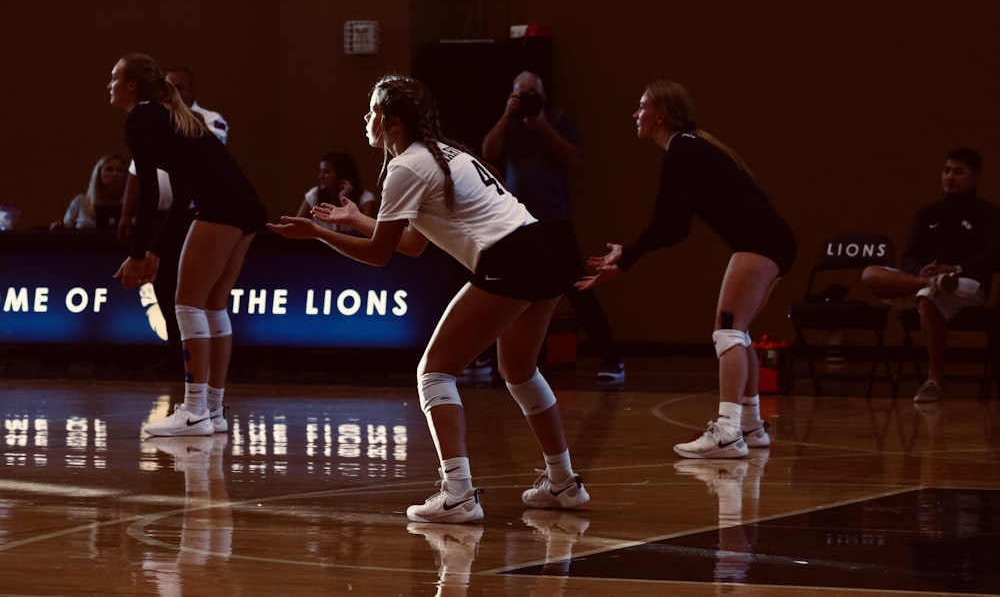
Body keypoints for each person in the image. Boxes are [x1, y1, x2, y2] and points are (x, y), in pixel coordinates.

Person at [268, 74, 590, 522]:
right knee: (519, 369)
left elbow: (381, 256)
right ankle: (563, 483)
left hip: (511, 258)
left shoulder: (405, 167)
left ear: (393, 122)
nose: (366, 118)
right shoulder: (441, 154)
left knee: (433, 373)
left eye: (372, 111)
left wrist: (318, 233)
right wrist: (357, 219)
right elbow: (413, 244)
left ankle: (458, 494)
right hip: (545, 250)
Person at [577, 80, 796, 459]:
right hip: (773, 241)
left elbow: (665, 226)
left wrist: (626, 259)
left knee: (727, 331)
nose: (635, 114)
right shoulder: (690, 149)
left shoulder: (681, 151)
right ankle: (751, 426)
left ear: (660, 114)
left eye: (641, 106)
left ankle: (728, 432)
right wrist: (628, 254)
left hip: (761, 243)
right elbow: (676, 228)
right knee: (737, 332)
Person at [108, 52, 265, 437]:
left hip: (221, 207)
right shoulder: (169, 117)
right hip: (246, 206)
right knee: (213, 305)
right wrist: (155, 252)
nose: (108, 85)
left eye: (114, 78)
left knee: (187, 304)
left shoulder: (142, 117)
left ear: (131, 85)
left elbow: (147, 193)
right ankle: (212, 410)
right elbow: (179, 200)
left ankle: (194, 410)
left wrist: (136, 254)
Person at [482, 71, 626, 382]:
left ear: (543, 97)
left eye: (532, 93)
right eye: (521, 94)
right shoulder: (509, 124)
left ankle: (612, 359)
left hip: (555, 219)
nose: (528, 99)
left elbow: (573, 159)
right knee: (506, 288)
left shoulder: (560, 121)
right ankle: (492, 360)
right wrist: (508, 116)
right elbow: (489, 153)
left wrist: (542, 126)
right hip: (517, 221)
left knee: (577, 288)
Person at [861, 148, 1000, 403]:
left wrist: (957, 269)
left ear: (975, 177)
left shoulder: (988, 215)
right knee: (870, 274)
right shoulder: (928, 214)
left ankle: (935, 379)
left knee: (927, 296)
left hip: (967, 284)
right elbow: (909, 256)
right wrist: (919, 270)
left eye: (958, 172)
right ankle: (929, 282)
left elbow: (993, 258)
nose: (950, 177)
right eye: (946, 171)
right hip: (923, 281)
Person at [118, 66, 229, 376]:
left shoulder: (209, 119)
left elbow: (206, 151)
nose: (172, 93)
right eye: (167, 87)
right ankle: (175, 353)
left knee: (194, 292)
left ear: (192, 91)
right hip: (160, 217)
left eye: (179, 87)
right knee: (163, 288)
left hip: (196, 215)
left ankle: (202, 361)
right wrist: (127, 213)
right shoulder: (154, 122)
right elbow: (137, 173)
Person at [295, 151, 377, 233]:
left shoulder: (365, 198)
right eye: (321, 171)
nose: (320, 176)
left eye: (326, 172)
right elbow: (296, 228)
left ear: (341, 174)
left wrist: (344, 201)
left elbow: (367, 234)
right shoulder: (314, 195)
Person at [50, 153, 127, 230]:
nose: (115, 174)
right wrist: (59, 227)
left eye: (119, 170)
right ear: (99, 174)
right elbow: (66, 228)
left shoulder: (131, 204)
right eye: (109, 169)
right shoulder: (80, 201)